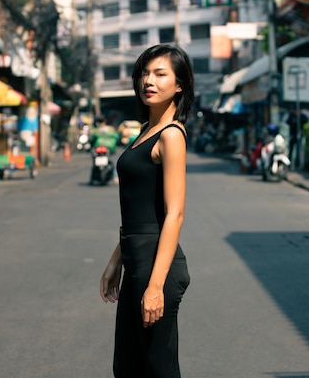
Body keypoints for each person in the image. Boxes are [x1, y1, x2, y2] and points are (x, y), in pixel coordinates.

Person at [100, 44, 194, 378]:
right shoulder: (145, 132)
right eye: (144, 72)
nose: (147, 81)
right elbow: (141, 211)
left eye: (159, 73)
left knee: (159, 368)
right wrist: (116, 261)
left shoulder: (171, 136)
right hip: (136, 259)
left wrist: (155, 287)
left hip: (158, 266)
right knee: (128, 366)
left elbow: (174, 214)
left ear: (179, 85)